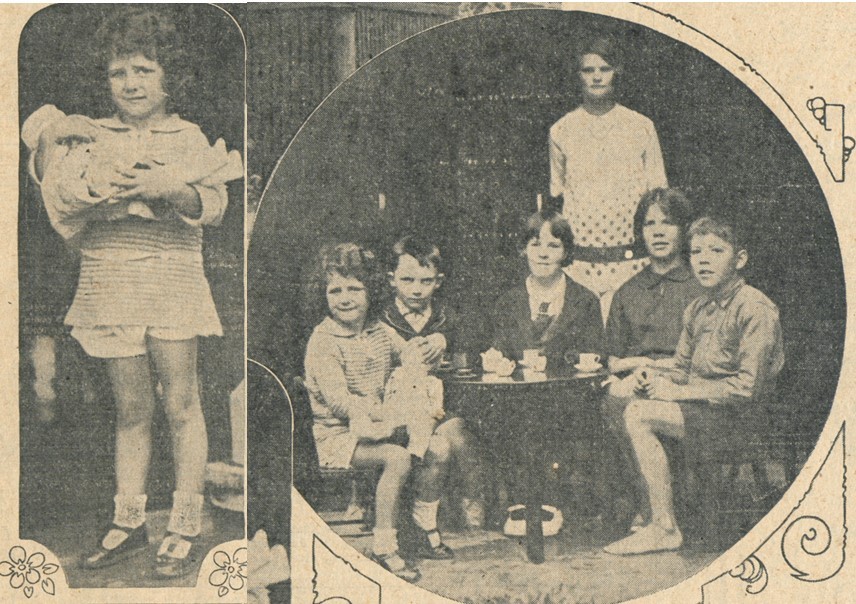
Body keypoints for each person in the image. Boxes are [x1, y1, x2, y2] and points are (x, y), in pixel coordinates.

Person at [21, 8, 242, 577]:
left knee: (182, 402)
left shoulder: (188, 136)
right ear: (106, 80)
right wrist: (90, 185)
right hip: (109, 280)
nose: (132, 84)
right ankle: (128, 521)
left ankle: (186, 521)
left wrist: (171, 189)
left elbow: (213, 206)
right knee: (131, 409)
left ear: (170, 77)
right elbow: (60, 204)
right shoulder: (88, 135)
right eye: (119, 73)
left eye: (144, 70)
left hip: (170, 279)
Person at [603, 216, 785, 555]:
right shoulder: (697, 309)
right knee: (626, 399)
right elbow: (682, 370)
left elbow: (748, 388)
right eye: (697, 251)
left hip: (742, 420)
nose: (703, 259)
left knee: (640, 416)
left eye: (716, 250)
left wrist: (680, 391)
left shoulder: (755, 308)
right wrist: (652, 378)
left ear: (739, 259)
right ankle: (659, 517)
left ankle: (663, 528)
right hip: (704, 412)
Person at [303, 243, 455, 584]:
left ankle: (422, 524)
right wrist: (386, 411)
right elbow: (340, 402)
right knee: (398, 458)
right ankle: (385, 546)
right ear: (323, 295)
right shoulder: (323, 340)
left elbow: (410, 357)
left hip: (382, 426)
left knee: (439, 447)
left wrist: (420, 359)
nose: (346, 298)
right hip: (339, 436)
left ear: (370, 291)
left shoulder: (378, 331)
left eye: (355, 288)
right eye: (335, 290)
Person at [491, 210, 604, 537]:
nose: (543, 253)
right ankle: (520, 501)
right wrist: (498, 359)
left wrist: (556, 360)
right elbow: (500, 346)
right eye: (535, 243)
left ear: (566, 253)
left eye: (553, 245)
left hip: (567, 398)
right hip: (518, 399)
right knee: (513, 417)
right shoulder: (508, 301)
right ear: (523, 249)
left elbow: (594, 349)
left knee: (555, 421)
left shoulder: (584, 300)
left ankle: (552, 501)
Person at [601, 188, 704, 531]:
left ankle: (663, 510)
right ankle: (646, 506)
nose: (658, 232)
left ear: (684, 230)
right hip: (637, 376)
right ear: (640, 232)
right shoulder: (628, 291)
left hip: (686, 380)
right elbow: (614, 359)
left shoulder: (701, 286)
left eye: (668, 223)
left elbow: (708, 356)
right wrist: (637, 370)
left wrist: (660, 371)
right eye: (649, 224)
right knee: (613, 401)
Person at [549, 35, 668, 322]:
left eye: (604, 69)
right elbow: (558, 194)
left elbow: (659, 196)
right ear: (578, 76)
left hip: (632, 261)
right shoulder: (561, 130)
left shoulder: (640, 126)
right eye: (588, 70)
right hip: (581, 264)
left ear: (617, 72)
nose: (597, 77)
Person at [381, 235, 485, 529]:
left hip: (437, 407)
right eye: (408, 279)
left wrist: (445, 339)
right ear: (392, 280)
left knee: (461, 436)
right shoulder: (382, 318)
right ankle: (412, 514)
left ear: (438, 282)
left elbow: (472, 341)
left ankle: (472, 502)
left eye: (426, 281)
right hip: (394, 409)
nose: (416, 289)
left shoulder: (446, 317)